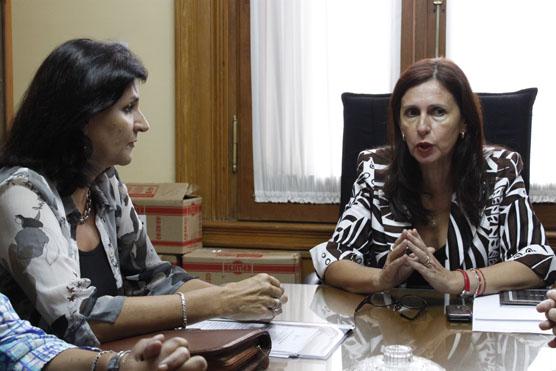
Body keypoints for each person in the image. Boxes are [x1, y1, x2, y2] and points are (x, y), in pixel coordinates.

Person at [0, 38, 287, 347]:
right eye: (128, 108)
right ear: (83, 118)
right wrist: (222, 300)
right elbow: (78, 318)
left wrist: (242, 303)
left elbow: (153, 278)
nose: (143, 124)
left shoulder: (104, 181)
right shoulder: (20, 194)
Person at [311, 57, 555, 296]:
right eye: (411, 113)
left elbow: (537, 259)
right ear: (400, 125)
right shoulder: (376, 171)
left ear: (464, 123)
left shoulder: (499, 171)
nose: (422, 127)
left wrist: (457, 281)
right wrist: (381, 278)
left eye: (438, 112)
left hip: (474, 330)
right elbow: (332, 258)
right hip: (393, 327)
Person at [0, 293, 207, 371]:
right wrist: (224, 298)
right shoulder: (25, 202)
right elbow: (76, 315)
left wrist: (121, 366)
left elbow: (17, 343)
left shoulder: (110, 196)